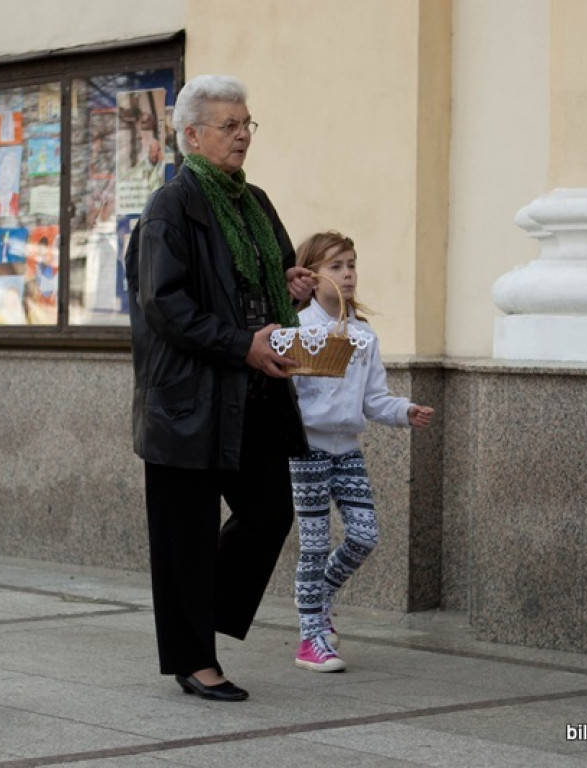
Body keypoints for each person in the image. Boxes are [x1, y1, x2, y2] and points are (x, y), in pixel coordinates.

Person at [125, 74, 317, 702]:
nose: (242, 136)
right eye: (229, 126)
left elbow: (259, 281)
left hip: (253, 391)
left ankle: (195, 614)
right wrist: (242, 343)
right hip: (188, 398)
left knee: (269, 512)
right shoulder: (170, 208)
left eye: (246, 124)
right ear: (191, 136)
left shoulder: (254, 202)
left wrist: (290, 288)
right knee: (186, 530)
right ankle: (194, 658)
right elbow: (166, 306)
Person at [287, 230, 435, 673]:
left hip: (347, 450)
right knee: (314, 544)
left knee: (365, 535)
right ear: (311, 276)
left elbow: (374, 400)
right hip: (307, 451)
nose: (347, 274)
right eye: (336, 266)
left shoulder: (363, 336)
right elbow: (287, 394)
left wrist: (405, 410)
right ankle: (310, 635)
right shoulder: (298, 327)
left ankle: (320, 597)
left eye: (351, 265)